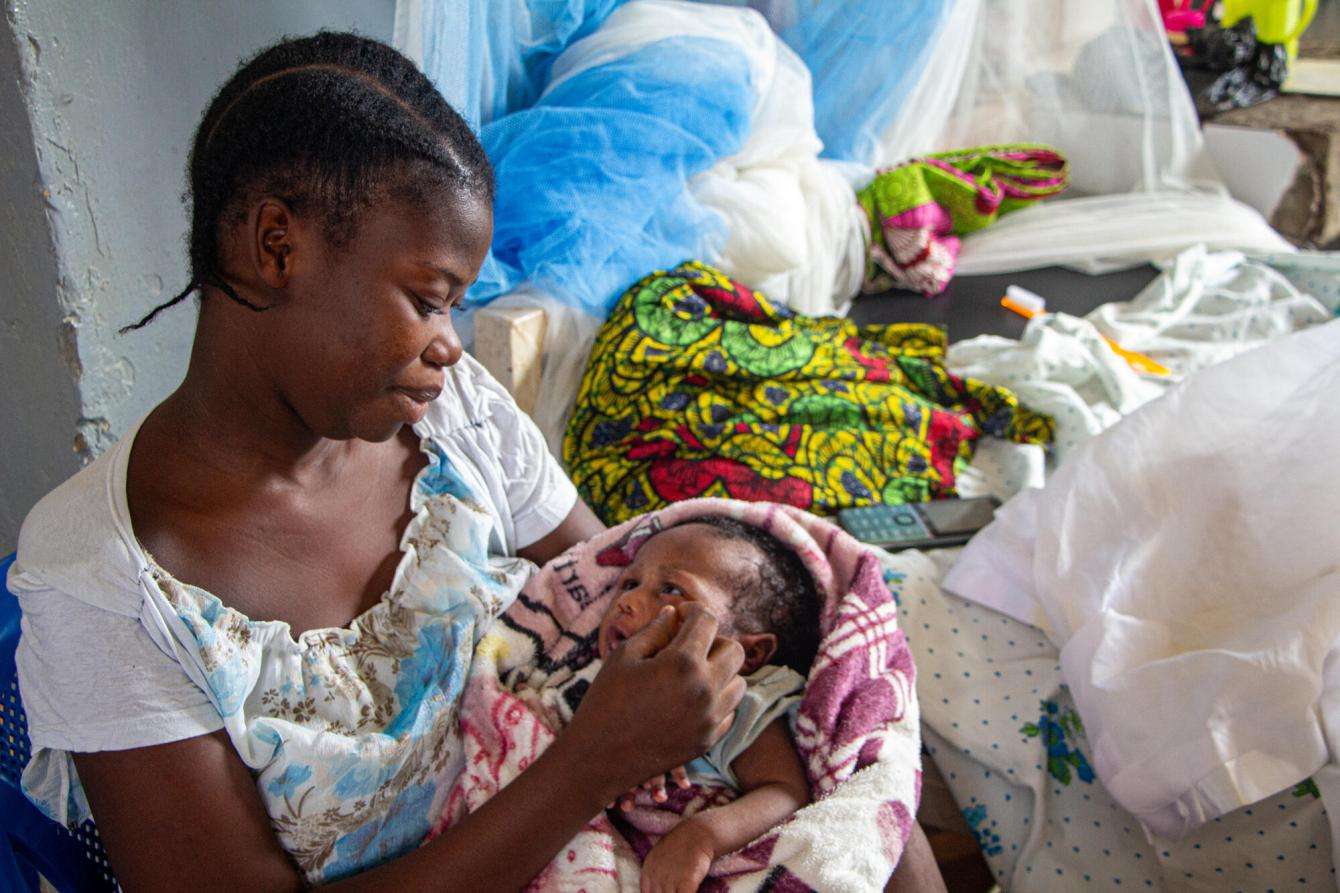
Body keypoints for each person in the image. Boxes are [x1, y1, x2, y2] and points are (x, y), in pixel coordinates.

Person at [10, 31, 944, 891]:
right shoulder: (107, 582)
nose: (452, 344)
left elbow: (609, 581)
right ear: (274, 247)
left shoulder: (451, 418)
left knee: (872, 818)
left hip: (583, 831)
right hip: (550, 821)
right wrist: (589, 767)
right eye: (429, 297)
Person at [586, 516, 818, 893]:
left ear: (748, 653)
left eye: (671, 590)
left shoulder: (739, 706)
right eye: (630, 583)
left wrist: (702, 837)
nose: (626, 602)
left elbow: (784, 792)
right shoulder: (590, 686)